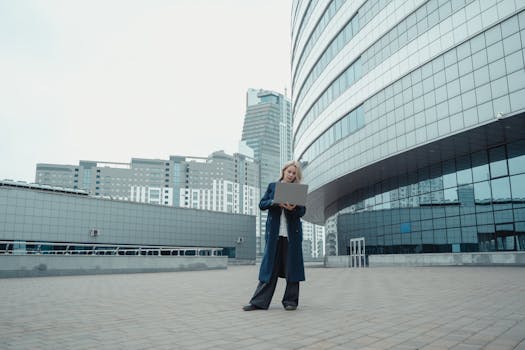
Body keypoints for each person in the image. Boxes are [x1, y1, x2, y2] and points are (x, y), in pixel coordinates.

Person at [242, 160, 306, 311]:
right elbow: (262, 204)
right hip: (274, 235)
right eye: (289, 172)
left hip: (292, 236)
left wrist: (292, 207)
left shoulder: (298, 190)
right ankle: (258, 302)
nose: (291, 175)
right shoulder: (273, 186)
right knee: (269, 267)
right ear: (284, 171)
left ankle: (291, 301)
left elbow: (302, 212)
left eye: (294, 173)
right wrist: (276, 202)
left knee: (293, 268)